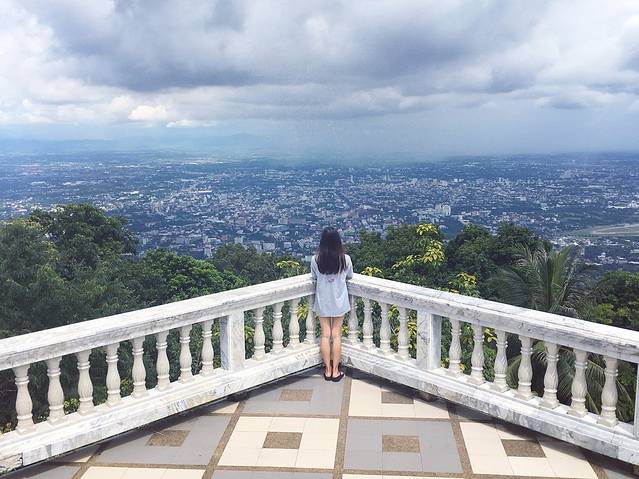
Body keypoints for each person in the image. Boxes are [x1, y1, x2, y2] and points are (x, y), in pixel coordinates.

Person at [310, 227, 353, 382]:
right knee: (336, 335)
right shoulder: (345, 259)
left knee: (325, 335)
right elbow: (350, 276)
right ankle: (336, 371)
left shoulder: (316, 259)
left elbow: (314, 276)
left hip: (323, 301)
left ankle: (327, 370)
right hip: (339, 301)